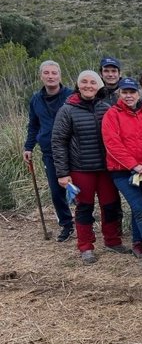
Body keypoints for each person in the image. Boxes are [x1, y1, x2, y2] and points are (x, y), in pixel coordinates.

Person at [51, 70, 127, 264]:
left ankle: (112, 240)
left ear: (99, 86)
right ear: (78, 85)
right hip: (80, 168)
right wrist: (62, 173)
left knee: (110, 205)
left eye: (93, 82)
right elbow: (58, 141)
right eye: (84, 82)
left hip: (105, 168)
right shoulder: (67, 109)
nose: (88, 86)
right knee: (84, 207)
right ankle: (85, 246)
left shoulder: (106, 107)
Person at [102, 77, 142, 269]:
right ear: (119, 93)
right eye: (124, 92)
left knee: (141, 207)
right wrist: (134, 166)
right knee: (141, 208)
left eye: (132, 92)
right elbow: (113, 145)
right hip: (122, 172)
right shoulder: (112, 114)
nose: (128, 96)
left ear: (139, 93)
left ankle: (137, 242)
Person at [23, 60, 74, 242]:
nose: (50, 76)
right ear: (41, 76)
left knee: (80, 187)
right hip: (49, 151)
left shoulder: (71, 95)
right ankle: (67, 224)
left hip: (73, 148)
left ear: (60, 76)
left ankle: (85, 221)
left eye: (54, 73)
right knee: (55, 190)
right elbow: (33, 125)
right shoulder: (36, 99)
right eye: (47, 73)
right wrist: (28, 146)